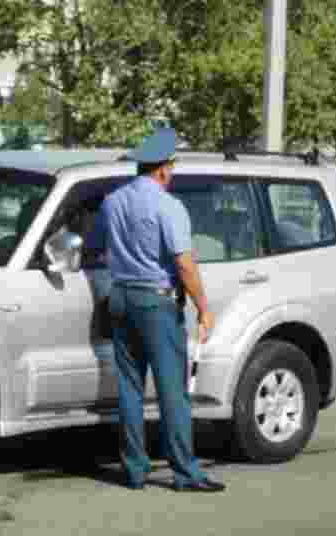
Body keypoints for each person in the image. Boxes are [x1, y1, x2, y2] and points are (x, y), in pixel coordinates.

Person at [86, 127, 224, 492]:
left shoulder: (112, 202)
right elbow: (184, 264)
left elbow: (95, 246)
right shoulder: (169, 206)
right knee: (171, 391)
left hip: (120, 298)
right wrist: (204, 308)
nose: (172, 174)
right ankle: (186, 473)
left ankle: (134, 470)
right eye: (172, 168)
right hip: (157, 304)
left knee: (130, 388)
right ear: (163, 169)